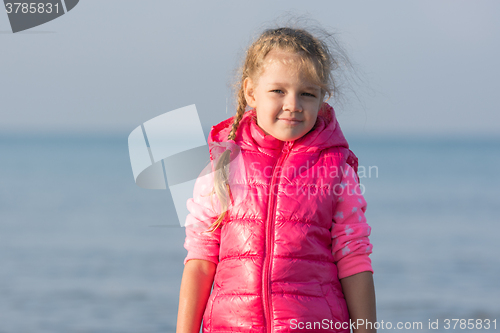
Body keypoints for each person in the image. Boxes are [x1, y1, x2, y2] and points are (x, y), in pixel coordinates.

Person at [176, 26, 376, 333]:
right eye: (278, 91)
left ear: (322, 99)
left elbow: (354, 259)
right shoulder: (224, 164)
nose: (293, 104)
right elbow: (201, 261)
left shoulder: (336, 170)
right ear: (250, 92)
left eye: (307, 93)